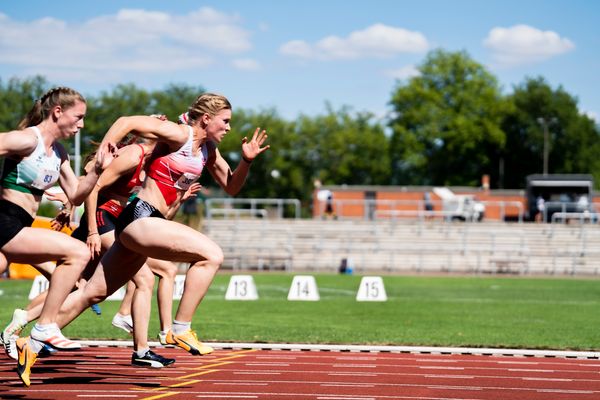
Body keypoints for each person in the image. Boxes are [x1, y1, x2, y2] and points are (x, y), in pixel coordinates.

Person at [15, 93, 269, 386]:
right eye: (225, 122)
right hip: (140, 218)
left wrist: (247, 162)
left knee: (91, 293)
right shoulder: (179, 134)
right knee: (212, 254)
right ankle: (179, 328)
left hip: (144, 225)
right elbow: (126, 121)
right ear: (206, 119)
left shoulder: (208, 151)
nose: (228, 128)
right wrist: (104, 154)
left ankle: (31, 345)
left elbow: (232, 186)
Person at [0, 87, 114, 384]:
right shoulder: (26, 139)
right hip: (5, 221)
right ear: (58, 112)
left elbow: (76, 194)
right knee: (76, 253)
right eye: (79, 117)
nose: (82, 125)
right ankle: (45, 326)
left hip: (20, 223)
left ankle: (44, 326)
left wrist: (98, 170)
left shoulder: (58, 153)